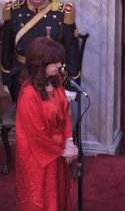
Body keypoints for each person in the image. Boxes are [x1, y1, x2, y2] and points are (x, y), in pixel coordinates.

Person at [15, 37, 78, 211]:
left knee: (59, 197)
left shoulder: (55, 77)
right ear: (40, 64)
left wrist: (69, 141)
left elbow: (65, 112)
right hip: (39, 156)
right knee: (43, 199)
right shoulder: (28, 94)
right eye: (55, 62)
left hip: (58, 150)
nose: (60, 65)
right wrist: (62, 152)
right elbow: (37, 135)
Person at [1, 0, 81, 103]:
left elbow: (72, 52)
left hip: (52, 79)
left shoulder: (61, 14)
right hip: (22, 77)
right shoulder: (15, 11)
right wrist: (6, 78)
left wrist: (71, 86)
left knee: (52, 120)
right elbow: (6, 48)